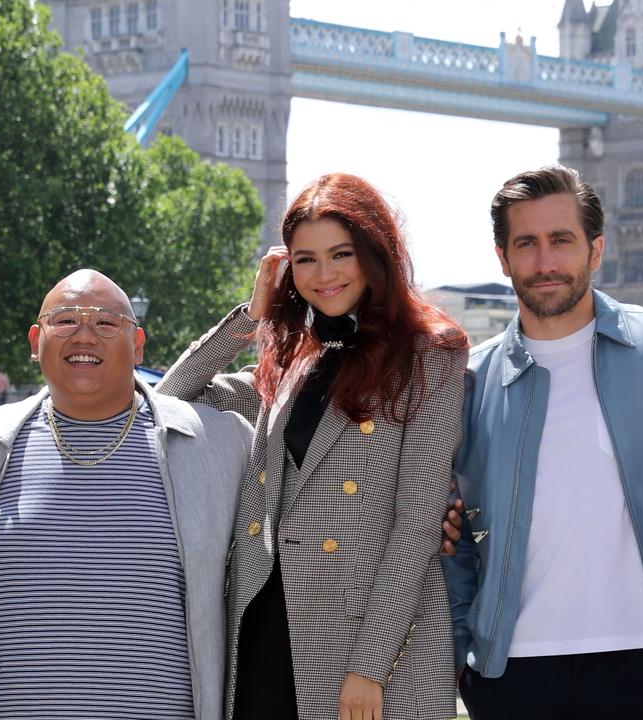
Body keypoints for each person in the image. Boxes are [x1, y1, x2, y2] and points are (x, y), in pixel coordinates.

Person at [158, 173, 468, 720]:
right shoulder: (294, 359)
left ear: (376, 254)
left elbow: (418, 522)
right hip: (263, 620)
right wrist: (250, 318)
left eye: (340, 254)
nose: (323, 275)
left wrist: (371, 666)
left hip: (367, 636)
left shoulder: (429, 353)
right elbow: (170, 399)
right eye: (304, 260)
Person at [442, 166, 643, 719]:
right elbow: (456, 533)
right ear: (502, 257)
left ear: (595, 249)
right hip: (513, 673)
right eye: (527, 244)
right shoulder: (469, 380)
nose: (545, 262)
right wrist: (467, 653)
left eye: (561, 240)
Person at [0, 269, 252, 719]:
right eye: (66, 320)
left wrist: (253, 317)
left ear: (137, 344)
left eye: (106, 323)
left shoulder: (218, 444)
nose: (85, 336)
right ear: (36, 340)